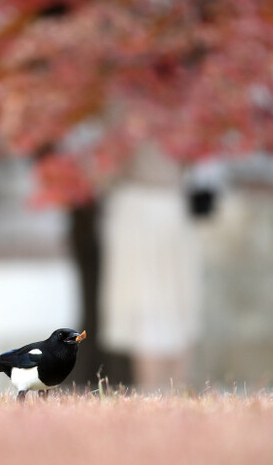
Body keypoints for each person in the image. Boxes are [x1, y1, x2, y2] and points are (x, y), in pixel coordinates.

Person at [100, 144, 202, 391]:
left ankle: (166, 394)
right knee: (152, 306)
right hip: (147, 208)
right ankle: (160, 394)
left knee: (170, 305)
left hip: (162, 207)